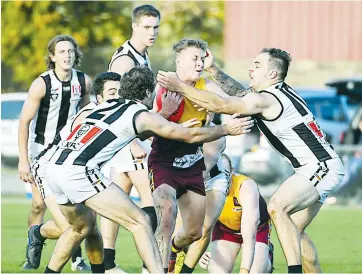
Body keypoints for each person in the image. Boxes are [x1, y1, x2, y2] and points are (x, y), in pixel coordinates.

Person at [41, 66, 253, 273]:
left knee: (81, 228)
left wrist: (162, 113)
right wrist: (226, 129)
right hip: (78, 172)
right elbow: (189, 136)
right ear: (147, 92)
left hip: (54, 169)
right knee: (140, 222)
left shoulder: (106, 104)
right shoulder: (141, 115)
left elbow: (135, 130)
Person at [157, 47, 345, 273]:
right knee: (294, 231)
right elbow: (239, 94)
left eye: (257, 65)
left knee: (277, 207)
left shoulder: (267, 100)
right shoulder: (276, 92)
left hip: (319, 167)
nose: (250, 68)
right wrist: (213, 70)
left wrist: (180, 87)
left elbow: (223, 105)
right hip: (322, 166)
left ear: (272, 74)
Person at [149, 38, 252, 273]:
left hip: (193, 164)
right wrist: (164, 115)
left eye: (202, 58)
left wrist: (213, 68)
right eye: (195, 58)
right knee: (166, 216)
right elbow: (144, 131)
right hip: (164, 162)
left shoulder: (206, 86)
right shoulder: (162, 86)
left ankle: (175, 248)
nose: (199, 63)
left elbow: (241, 98)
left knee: (195, 232)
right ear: (179, 62)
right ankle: (160, 268)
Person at [26, 72, 122, 271]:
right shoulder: (90, 114)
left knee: (91, 229)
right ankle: (38, 232)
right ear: (100, 98)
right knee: (71, 228)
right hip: (50, 166)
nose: (117, 97)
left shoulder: (116, 114)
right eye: (112, 92)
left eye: (119, 92)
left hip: (78, 170)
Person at [18, 34, 92, 270]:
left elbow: (87, 116)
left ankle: (76, 257)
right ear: (52, 56)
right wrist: (23, 160)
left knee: (71, 207)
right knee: (39, 206)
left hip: (68, 154)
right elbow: (24, 122)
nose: (67, 55)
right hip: (41, 153)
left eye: (70, 51)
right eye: (61, 52)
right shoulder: (42, 83)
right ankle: (33, 246)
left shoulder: (84, 82)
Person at [104, 5, 163, 272]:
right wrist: (133, 142)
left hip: (130, 140)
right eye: (148, 27)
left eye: (156, 27)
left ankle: (106, 264)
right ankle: (147, 265)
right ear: (135, 27)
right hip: (128, 140)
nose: (153, 33)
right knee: (153, 199)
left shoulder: (143, 55)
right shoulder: (125, 60)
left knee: (116, 201)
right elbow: (115, 102)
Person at [197, 153, 273, 274]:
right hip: (225, 229)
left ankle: (266, 260)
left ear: (232, 171)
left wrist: (244, 270)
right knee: (217, 272)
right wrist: (199, 251)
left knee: (256, 271)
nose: (219, 179)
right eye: (213, 174)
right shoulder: (201, 188)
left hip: (256, 229)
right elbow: (194, 226)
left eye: (224, 173)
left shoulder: (245, 187)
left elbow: (250, 234)